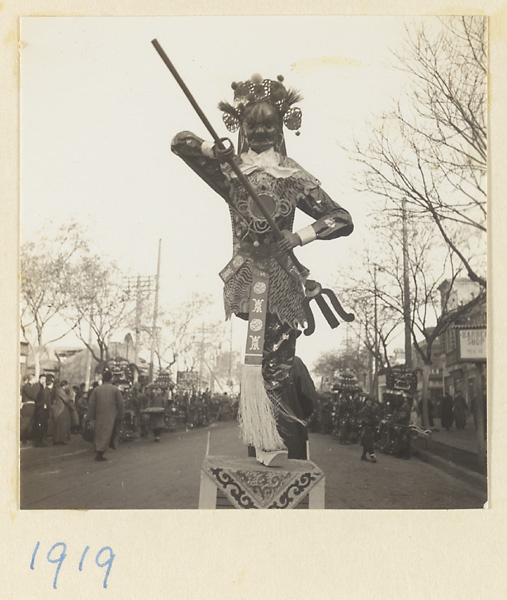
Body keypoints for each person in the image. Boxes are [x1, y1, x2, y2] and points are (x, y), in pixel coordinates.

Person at [171, 74, 353, 465]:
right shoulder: (231, 170)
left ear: (281, 126)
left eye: (268, 124)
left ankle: (274, 441)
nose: (259, 132)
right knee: (260, 361)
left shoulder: (295, 175)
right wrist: (210, 147)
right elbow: (179, 143)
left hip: (284, 281)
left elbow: (341, 218)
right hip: (247, 277)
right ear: (241, 127)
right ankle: (264, 442)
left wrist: (301, 236)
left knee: (277, 362)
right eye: (252, 125)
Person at [85, 370, 125, 461]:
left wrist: (90, 417)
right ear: (111, 378)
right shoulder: (115, 389)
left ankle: (99, 450)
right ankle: (100, 452)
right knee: (107, 432)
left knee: (99, 432)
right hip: (110, 415)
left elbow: (91, 404)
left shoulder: (97, 389)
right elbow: (121, 404)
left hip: (98, 415)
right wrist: (121, 414)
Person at [358, 396, 380, 463]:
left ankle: (363, 455)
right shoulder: (365, 409)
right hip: (367, 427)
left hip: (371, 427)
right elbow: (364, 418)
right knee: (369, 442)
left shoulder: (372, 408)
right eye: (368, 401)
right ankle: (372, 456)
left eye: (370, 400)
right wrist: (370, 421)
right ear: (366, 401)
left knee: (367, 442)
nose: (369, 402)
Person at [33, 374, 52, 446]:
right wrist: (45, 406)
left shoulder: (44, 390)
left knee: (41, 425)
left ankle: (39, 441)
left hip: (41, 409)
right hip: (43, 410)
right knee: (41, 425)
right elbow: (44, 401)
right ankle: (39, 442)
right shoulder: (46, 391)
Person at [51, 379, 72, 445]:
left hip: (59, 409)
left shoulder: (58, 390)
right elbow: (66, 399)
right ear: (65, 385)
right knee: (60, 425)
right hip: (60, 409)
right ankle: (58, 440)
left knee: (60, 425)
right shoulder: (60, 391)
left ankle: (59, 439)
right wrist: (70, 398)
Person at [20, 375, 39, 443]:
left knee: (29, 423)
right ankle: (21, 437)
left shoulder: (30, 386)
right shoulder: (27, 386)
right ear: (32, 379)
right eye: (34, 379)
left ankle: (26, 438)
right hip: (28, 405)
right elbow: (33, 395)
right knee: (25, 422)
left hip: (31, 406)